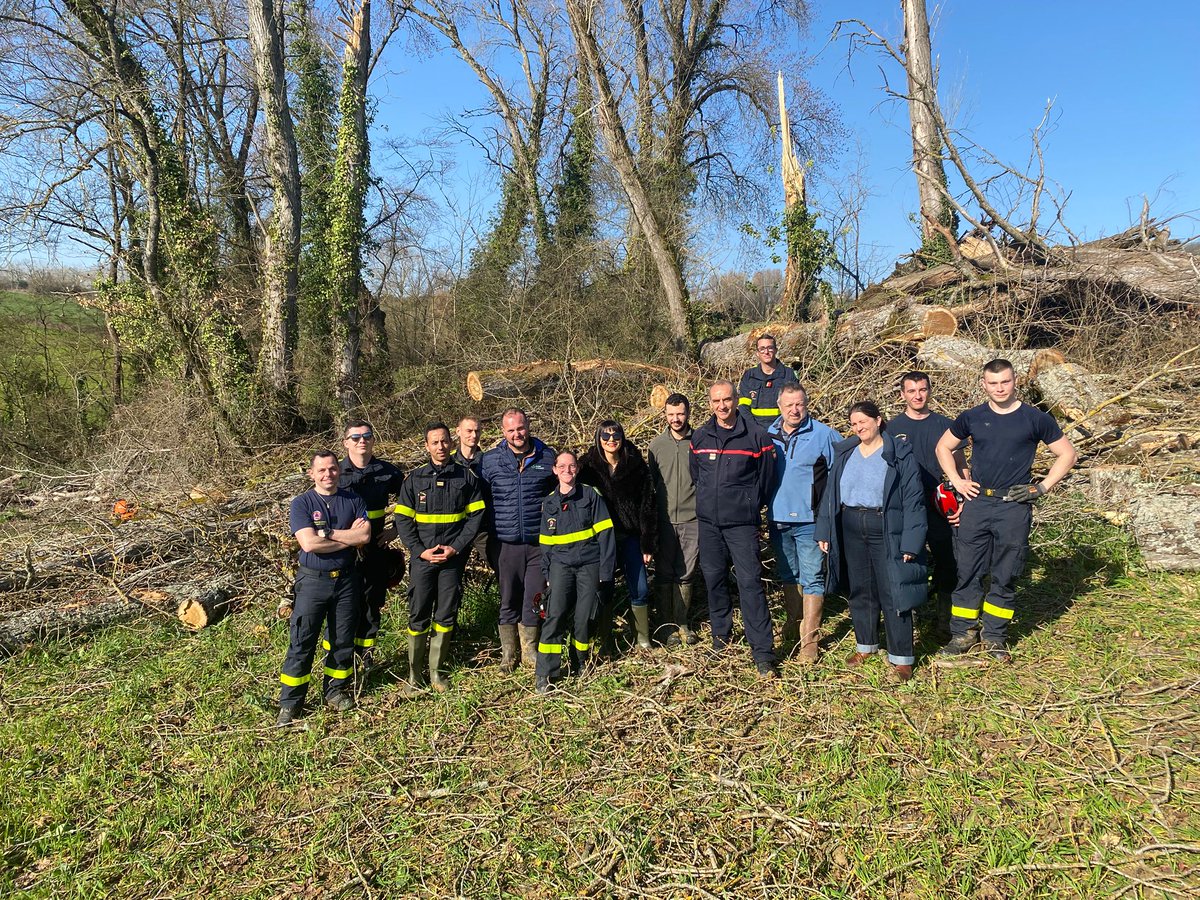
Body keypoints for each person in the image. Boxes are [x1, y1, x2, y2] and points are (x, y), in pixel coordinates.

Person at [935, 359, 1077, 661]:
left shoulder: (1035, 418)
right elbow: (943, 447)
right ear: (984, 385)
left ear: (1015, 382)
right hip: (978, 502)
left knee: (1005, 572)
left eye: (1005, 382)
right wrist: (957, 481)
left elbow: (1067, 454)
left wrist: (1041, 487)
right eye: (993, 383)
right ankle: (962, 634)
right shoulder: (973, 417)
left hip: (1014, 505)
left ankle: (995, 636)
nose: (1000, 388)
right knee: (968, 570)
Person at [815, 402, 927, 682]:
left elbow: (914, 501)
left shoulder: (898, 455)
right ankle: (866, 645)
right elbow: (830, 495)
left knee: (893, 590)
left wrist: (911, 543)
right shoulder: (845, 452)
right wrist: (824, 531)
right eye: (853, 423)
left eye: (864, 421)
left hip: (886, 527)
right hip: (851, 525)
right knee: (860, 589)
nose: (859, 427)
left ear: (878, 420)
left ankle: (901, 658)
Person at [690, 379, 778, 676]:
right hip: (709, 525)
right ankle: (721, 638)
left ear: (736, 400)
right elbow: (696, 475)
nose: (722, 406)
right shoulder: (700, 437)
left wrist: (750, 504)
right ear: (710, 403)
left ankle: (762, 652)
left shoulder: (757, 437)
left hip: (741, 525)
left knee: (750, 584)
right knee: (714, 581)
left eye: (726, 400)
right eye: (716, 401)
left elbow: (766, 481)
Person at [277, 451, 371, 725]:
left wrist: (326, 533)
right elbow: (308, 544)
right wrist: (348, 539)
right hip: (313, 582)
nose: (328, 474)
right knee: (302, 640)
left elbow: (365, 535)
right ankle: (291, 703)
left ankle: (335, 690)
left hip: (346, 579)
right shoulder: (302, 503)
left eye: (332, 469)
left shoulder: (353, 500)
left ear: (338, 470)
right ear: (311, 473)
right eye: (321, 470)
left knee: (342, 639)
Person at [394, 423, 486, 693]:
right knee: (418, 614)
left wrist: (456, 547)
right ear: (427, 446)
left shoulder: (466, 478)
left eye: (444, 441)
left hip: (452, 560)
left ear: (451, 442)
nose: (441, 447)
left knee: (446, 614)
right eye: (434, 442)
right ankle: (414, 675)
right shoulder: (415, 479)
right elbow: (402, 518)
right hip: (423, 559)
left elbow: (475, 518)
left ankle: (437, 672)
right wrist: (418, 550)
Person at [888, 372, 967, 639]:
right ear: (902, 395)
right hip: (906, 508)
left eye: (922, 390)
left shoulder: (946, 425)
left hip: (939, 505)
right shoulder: (891, 428)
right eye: (911, 391)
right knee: (910, 561)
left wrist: (964, 499)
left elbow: (961, 465)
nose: (917, 395)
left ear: (929, 391)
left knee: (947, 560)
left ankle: (945, 622)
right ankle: (916, 617)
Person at [480, 408, 557, 672]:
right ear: (503, 432)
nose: (517, 434)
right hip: (504, 542)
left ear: (528, 426)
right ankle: (508, 654)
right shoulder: (489, 462)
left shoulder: (548, 457)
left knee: (534, 596)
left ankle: (529, 651)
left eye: (521, 428)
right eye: (511, 430)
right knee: (508, 598)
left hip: (537, 543)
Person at [766, 383, 838, 661]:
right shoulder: (768, 435)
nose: (795, 410)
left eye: (800, 404)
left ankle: (810, 642)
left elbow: (837, 477)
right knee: (788, 575)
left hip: (810, 519)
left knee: (812, 578)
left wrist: (828, 518)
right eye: (789, 405)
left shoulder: (824, 435)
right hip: (778, 518)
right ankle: (793, 626)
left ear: (806, 404)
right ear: (780, 407)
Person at [536, 451, 616, 693]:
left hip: (589, 565)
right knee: (555, 616)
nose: (567, 470)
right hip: (560, 567)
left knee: (584, 618)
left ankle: (580, 663)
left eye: (571, 466)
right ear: (554, 470)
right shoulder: (548, 503)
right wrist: (547, 573)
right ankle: (546, 674)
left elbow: (606, 533)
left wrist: (606, 570)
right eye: (562, 466)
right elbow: (545, 543)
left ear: (577, 469)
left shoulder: (591, 495)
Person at [578, 420, 656, 652]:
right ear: (598, 438)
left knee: (640, 588)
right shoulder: (587, 467)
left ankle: (642, 639)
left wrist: (647, 543)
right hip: (601, 540)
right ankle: (606, 641)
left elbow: (647, 504)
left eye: (615, 436)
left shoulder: (635, 463)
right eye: (605, 436)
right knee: (604, 589)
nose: (611, 441)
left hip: (631, 537)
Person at [333, 419, 405, 667]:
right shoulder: (335, 474)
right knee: (344, 606)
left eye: (367, 436)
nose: (361, 440)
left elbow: (411, 502)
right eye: (355, 437)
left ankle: (366, 657)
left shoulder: (389, 472)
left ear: (373, 440)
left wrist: (395, 529)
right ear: (346, 443)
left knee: (372, 606)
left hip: (375, 551)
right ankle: (340, 659)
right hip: (342, 552)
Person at [647, 393, 700, 646]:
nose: (675, 419)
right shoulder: (656, 446)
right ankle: (665, 627)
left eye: (680, 414)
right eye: (670, 414)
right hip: (665, 519)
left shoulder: (700, 441)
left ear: (688, 413)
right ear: (664, 415)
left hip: (693, 518)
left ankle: (683, 623)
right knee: (664, 572)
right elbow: (651, 484)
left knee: (687, 572)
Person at [737, 334, 799, 423]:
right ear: (757, 353)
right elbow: (743, 406)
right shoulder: (749, 376)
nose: (766, 352)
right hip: (754, 429)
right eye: (762, 349)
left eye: (770, 348)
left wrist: (782, 428)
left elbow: (794, 405)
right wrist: (754, 429)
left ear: (775, 350)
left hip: (782, 428)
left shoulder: (789, 374)